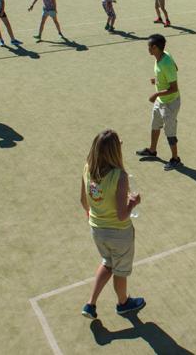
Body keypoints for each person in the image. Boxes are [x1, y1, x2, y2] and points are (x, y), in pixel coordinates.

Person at [80, 129, 145, 319]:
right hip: (119, 234)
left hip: (97, 229)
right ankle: (123, 303)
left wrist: (92, 216)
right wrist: (134, 202)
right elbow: (122, 215)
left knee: (107, 262)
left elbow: (83, 201)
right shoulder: (120, 176)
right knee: (120, 271)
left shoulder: (87, 168)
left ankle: (90, 304)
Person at [135, 34, 182, 171]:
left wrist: (156, 94)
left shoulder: (166, 63)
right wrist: (158, 80)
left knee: (170, 131)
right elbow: (176, 68)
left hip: (170, 103)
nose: (148, 48)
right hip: (161, 101)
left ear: (155, 48)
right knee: (155, 124)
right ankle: (152, 150)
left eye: (149, 46)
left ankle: (175, 159)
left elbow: (174, 88)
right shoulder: (163, 54)